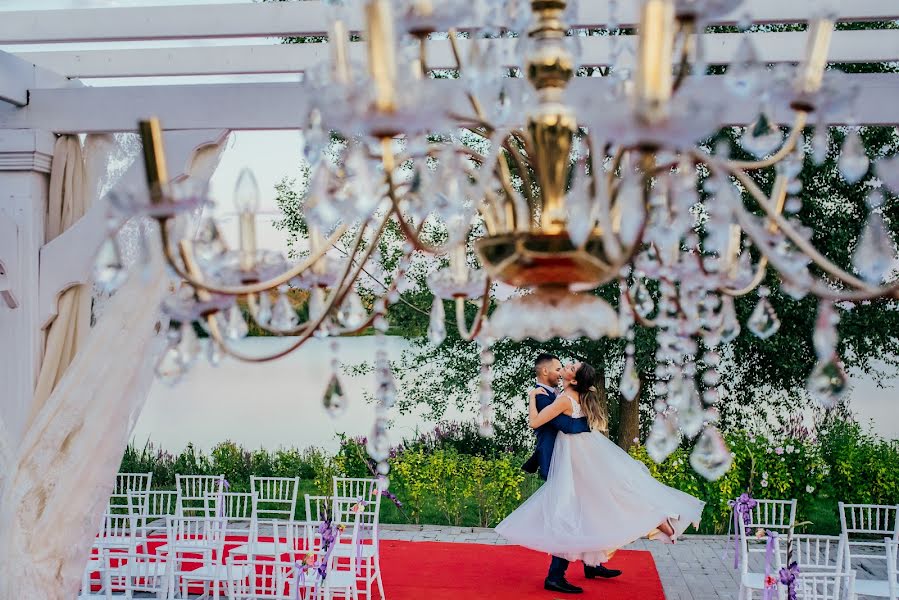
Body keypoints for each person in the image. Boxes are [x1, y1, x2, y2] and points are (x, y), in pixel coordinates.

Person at [496, 360, 706, 594]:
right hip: (589, 454)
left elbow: (535, 422)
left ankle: (653, 519)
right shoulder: (579, 395)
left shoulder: (564, 399)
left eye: (570, 367)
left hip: (577, 461)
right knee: (602, 501)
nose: (566, 366)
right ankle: (594, 560)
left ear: (574, 380)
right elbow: (579, 408)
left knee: (579, 509)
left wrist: (532, 398)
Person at [516, 354, 622, 595]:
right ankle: (555, 576)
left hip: (573, 461)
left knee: (586, 510)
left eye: (566, 367)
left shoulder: (559, 393)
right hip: (558, 461)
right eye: (558, 367)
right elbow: (569, 426)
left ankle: (592, 563)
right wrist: (588, 423)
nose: (561, 368)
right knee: (568, 514)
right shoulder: (543, 396)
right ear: (545, 373)